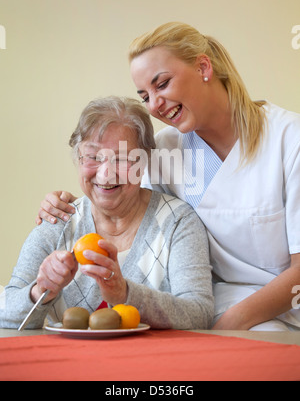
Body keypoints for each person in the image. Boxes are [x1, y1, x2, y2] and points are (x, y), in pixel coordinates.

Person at [36, 22, 300, 332]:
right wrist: (63, 205)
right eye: (145, 96)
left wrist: (228, 326)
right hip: (204, 307)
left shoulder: (289, 139)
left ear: (203, 66)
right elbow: (123, 207)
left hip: (279, 311)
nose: (155, 105)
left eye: (161, 84)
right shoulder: (164, 149)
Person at [0, 96, 214, 330]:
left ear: (144, 162)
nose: (105, 174)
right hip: (66, 364)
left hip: (151, 364)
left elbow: (199, 314)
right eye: (92, 157)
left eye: (122, 159)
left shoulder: (177, 221)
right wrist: (40, 290)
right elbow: (6, 313)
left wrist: (126, 293)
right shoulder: (58, 221)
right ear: (78, 159)